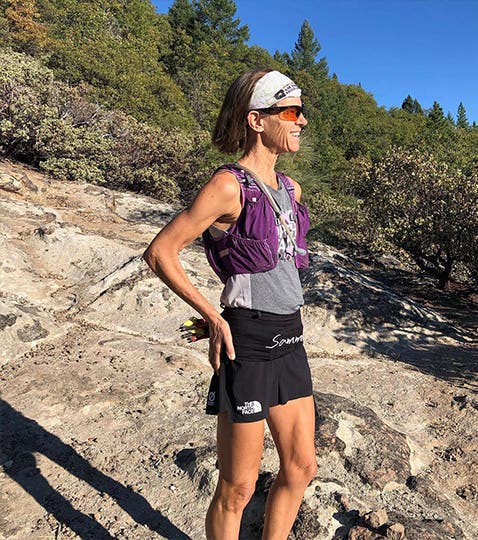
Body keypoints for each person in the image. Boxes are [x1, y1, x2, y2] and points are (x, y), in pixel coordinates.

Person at [143, 69, 316, 540]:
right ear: (257, 120)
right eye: (292, 112)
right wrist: (212, 316)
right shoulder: (227, 186)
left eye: (302, 112)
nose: (302, 121)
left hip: (291, 339)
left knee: (300, 468)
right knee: (238, 486)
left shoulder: (291, 190)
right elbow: (161, 252)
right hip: (250, 344)